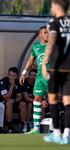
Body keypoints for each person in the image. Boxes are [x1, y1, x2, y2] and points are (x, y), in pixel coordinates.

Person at [42, 0, 70, 145]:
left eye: (52, 5)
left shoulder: (54, 22)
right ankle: (67, 135)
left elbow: (51, 41)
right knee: (68, 101)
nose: (51, 8)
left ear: (58, 6)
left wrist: (44, 62)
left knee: (52, 99)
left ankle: (57, 134)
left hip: (56, 67)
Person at [19, 26, 49, 134]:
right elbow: (31, 60)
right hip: (40, 78)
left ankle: (57, 127)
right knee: (36, 99)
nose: (47, 34)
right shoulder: (35, 46)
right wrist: (23, 73)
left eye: (48, 32)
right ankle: (36, 128)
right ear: (40, 35)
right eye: (45, 33)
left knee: (55, 101)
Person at [0, 67, 26, 133]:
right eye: (10, 75)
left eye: (14, 76)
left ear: (17, 76)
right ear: (8, 74)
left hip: (13, 101)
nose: (11, 77)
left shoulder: (17, 82)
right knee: (9, 103)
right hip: (2, 102)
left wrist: (14, 100)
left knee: (22, 104)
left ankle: (23, 125)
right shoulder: (3, 82)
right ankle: (10, 127)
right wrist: (12, 85)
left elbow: (19, 96)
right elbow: (6, 97)